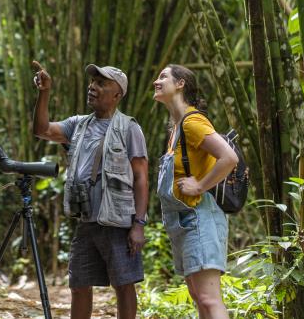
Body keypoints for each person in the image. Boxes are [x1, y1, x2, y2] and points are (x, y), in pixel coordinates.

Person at [32, 61, 149, 319]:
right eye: (93, 82)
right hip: (87, 219)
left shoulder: (129, 128)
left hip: (117, 220)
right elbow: (41, 130)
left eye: (101, 83)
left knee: (124, 284)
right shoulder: (78, 125)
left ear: (117, 94)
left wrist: (139, 224)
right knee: (79, 283)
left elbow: (141, 177)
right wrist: (44, 92)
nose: (92, 87)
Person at [153, 64, 238, 319]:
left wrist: (200, 185)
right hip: (185, 220)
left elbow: (229, 157)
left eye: (163, 77)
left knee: (209, 299)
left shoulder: (192, 122)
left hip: (200, 216)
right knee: (199, 297)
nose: (156, 81)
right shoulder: (177, 129)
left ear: (180, 84)